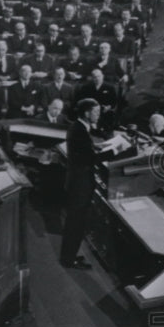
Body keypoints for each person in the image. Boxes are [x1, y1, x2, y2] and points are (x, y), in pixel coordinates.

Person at [60, 99, 101, 270]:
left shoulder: (79, 127)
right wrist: (115, 151)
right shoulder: (79, 130)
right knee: (75, 223)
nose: (98, 115)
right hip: (80, 184)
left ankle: (69, 256)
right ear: (86, 113)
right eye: (96, 111)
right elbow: (88, 159)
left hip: (77, 181)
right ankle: (69, 260)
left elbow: (85, 151)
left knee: (74, 223)